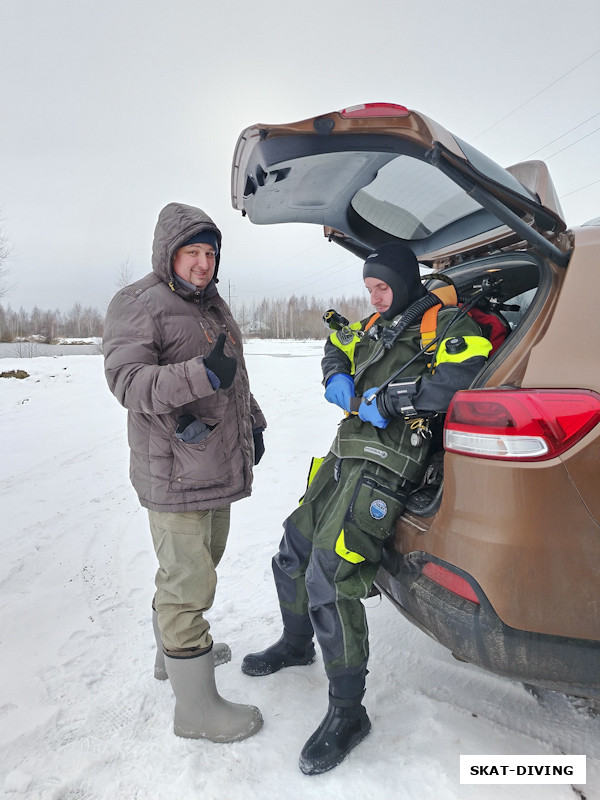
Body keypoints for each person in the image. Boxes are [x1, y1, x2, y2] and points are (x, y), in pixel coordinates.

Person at [241, 242, 492, 774]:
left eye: (382, 288)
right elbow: (340, 343)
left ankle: (347, 713)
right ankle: (295, 643)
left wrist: (396, 399)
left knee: (330, 577)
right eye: (369, 289)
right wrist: (335, 373)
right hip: (343, 453)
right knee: (292, 552)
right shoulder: (382, 325)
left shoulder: (441, 324)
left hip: (386, 467)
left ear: (403, 281)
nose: (374, 299)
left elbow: (465, 375)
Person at [103, 202, 266, 743]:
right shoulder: (139, 304)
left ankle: (170, 656)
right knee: (188, 579)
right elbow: (129, 383)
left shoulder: (212, 306)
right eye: (192, 252)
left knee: (199, 565)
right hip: (174, 470)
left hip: (214, 462)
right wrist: (200, 373)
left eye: (210, 252)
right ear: (168, 254)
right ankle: (194, 711)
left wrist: (254, 424)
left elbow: (233, 378)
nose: (202, 262)